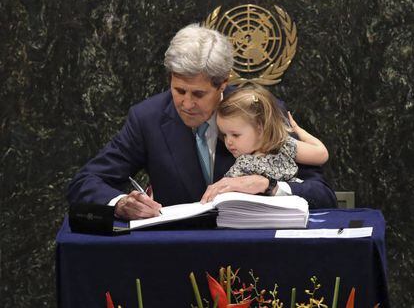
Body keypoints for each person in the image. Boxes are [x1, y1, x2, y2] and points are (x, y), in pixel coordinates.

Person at [67, 23, 336, 221]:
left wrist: (269, 185)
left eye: (198, 94)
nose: (186, 103)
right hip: (177, 254)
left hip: (256, 252)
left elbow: (323, 195)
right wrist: (120, 202)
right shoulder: (147, 118)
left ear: (223, 84)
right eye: (179, 91)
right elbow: (87, 181)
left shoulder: (260, 111)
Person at [201, 85, 329, 202]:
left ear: (260, 128)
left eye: (235, 135)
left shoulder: (283, 145)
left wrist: (299, 130)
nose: (228, 142)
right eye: (224, 135)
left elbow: (321, 155)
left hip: (292, 210)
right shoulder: (241, 165)